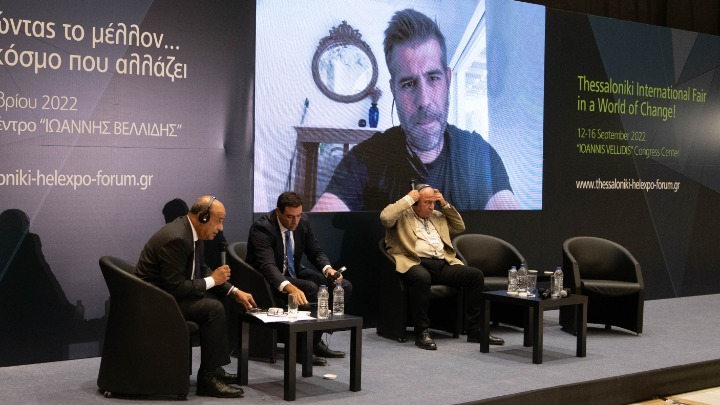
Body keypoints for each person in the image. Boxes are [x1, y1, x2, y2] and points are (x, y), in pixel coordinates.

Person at [313, 8, 518, 212]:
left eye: (433, 78)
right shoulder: (365, 159)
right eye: (409, 84)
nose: (424, 101)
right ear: (394, 89)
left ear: (448, 80)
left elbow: (512, 226)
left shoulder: (479, 155)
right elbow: (321, 223)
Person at [134, 195, 256, 398]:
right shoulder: (176, 238)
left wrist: (234, 291)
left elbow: (203, 270)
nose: (221, 228)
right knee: (212, 308)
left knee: (214, 303)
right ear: (203, 217)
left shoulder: (192, 233)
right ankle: (208, 379)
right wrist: (214, 280)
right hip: (154, 303)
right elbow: (175, 287)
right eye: (219, 221)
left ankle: (213, 369)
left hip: (166, 297)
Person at [380, 184, 505, 350]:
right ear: (415, 202)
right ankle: (422, 332)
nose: (431, 207)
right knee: (422, 277)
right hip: (414, 262)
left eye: (433, 202)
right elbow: (385, 217)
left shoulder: (438, 216)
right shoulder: (402, 216)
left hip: (441, 263)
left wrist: (444, 204)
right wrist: (408, 198)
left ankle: (475, 330)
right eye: (427, 202)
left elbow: (459, 227)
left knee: (475, 276)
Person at [246, 191, 352, 366]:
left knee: (343, 285)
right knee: (310, 287)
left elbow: (315, 251)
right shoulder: (262, 228)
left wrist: (328, 269)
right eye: (290, 217)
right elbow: (268, 266)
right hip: (267, 279)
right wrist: (290, 287)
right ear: (278, 212)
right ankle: (301, 350)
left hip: (293, 271)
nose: (295, 221)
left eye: (298, 215)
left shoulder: (302, 222)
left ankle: (315, 340)